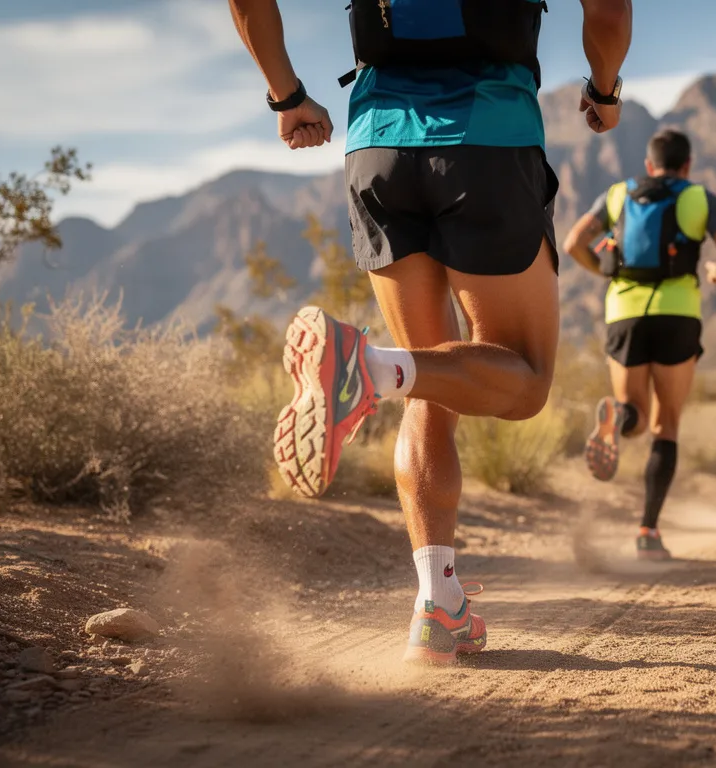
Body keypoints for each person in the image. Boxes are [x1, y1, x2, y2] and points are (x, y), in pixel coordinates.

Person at [228, 0, 633, 665]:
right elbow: (610, 12)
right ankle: (368, 368)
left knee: (430, 376)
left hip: (377, 145)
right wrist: (605, 90)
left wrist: (287, 95)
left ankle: (436, 606)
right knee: (524, 377)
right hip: (487, 138)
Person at [562, 129, 716, 560]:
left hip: (623, 312)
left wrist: (608, 275)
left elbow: (572, 243)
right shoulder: (700, 197)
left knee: (637, 416)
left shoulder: (616, 194)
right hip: (678, 313)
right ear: (687, 165)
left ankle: (618, 415)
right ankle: (647, 531)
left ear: (649, 165)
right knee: (666, 425)